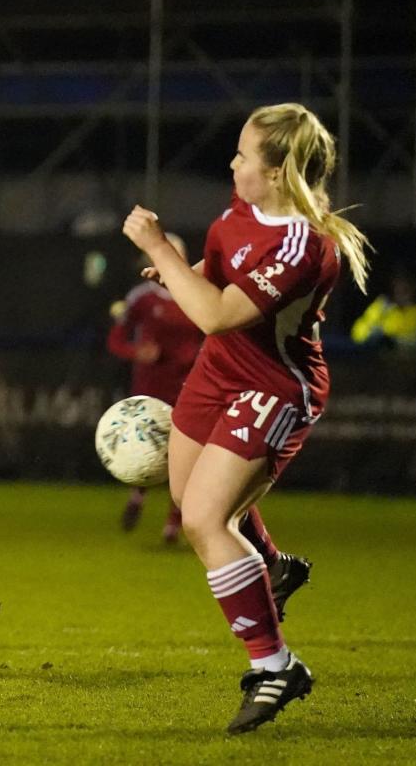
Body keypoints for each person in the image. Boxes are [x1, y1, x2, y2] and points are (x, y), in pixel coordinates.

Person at [122, 102, 371, 734]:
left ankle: (275, 666)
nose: (232, 163)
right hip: (216, 374)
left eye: (242, 155)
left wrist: (159, 248)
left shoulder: (302, 246)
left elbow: (216, 315)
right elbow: (225, 274)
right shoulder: (239, 212)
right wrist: (187, 269)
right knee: (184, 495)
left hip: (274, 384)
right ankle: (273, 566)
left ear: (280, 171)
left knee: (205, 518)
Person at [106, 233, 203, 543]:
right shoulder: (143, 298)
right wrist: (137, 351)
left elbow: (215, 330)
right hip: (150, 387)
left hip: (190, 386)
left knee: (184, 458)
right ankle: (138, 495)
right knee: (150, 452)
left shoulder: (198, 293)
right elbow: (116, 339)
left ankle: (173, 525)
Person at [350, 269, 416, 348]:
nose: (402, 291)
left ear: (414, 287)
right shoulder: (382, 307)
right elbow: (358, 333)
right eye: (398, 287)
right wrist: (374, 336)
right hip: (384, 361)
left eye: (406, 288)